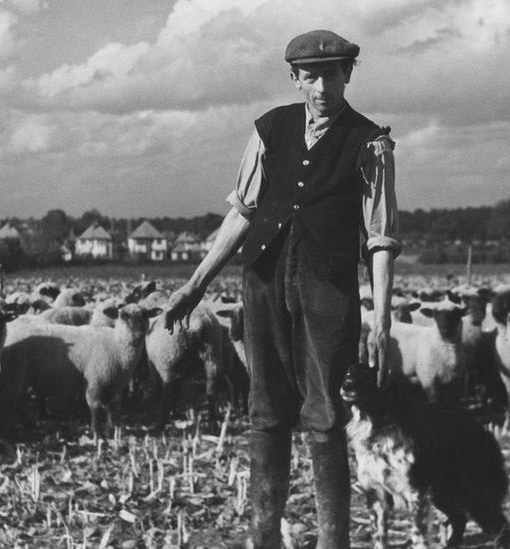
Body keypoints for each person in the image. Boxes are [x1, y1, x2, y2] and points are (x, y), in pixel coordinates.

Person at [163, 29, 400, 548]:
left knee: (324, 414)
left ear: (347, 76)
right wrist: (195, 286)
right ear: (294, 80)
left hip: (327, 287)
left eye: (332, 75)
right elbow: (243, 212)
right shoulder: (270, 129)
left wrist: (380, 318)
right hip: (265, 280)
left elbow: (380, 239)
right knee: (265, 410)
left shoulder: (371, 143)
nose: (322, 87)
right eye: (311, 77)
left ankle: (332, 541)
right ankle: (264, 536)